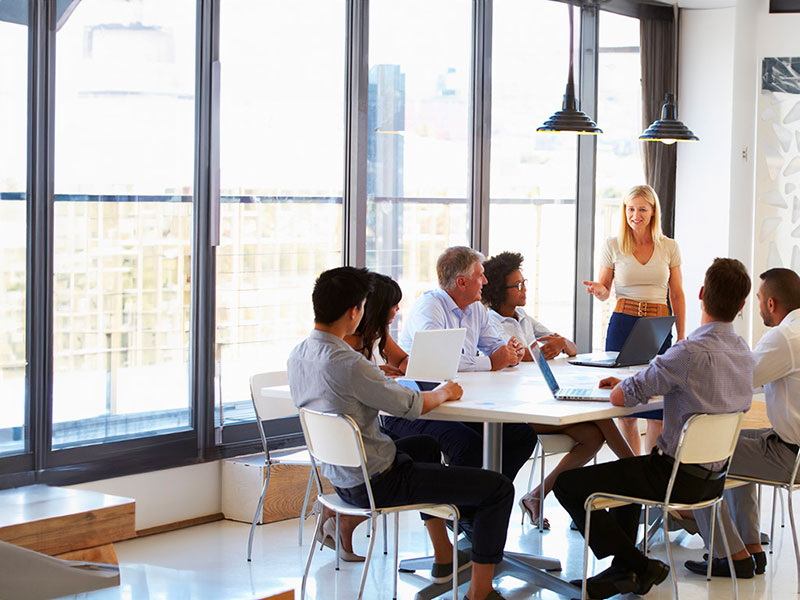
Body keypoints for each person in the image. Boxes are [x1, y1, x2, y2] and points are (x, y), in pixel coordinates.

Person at [288, 266, 514, 600]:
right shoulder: (348, 363)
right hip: (380, 482)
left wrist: (378, 379)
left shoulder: (299, 354)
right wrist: (445, 392)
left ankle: (444, 555)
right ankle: (480, 593)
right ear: (354, 312)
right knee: (498, 488)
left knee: (423, 444)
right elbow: (412, 404)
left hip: (343, 481)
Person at [553, 258, 754, 599]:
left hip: (671, 476)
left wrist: (627, 381)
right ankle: (624, 572)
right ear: (742, 305)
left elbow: (621, 396)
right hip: (713, 481)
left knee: (567, 484)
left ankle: (638, 564)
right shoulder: (744, 353)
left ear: (702, 294)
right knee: (627, 477)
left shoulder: (687, 352)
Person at [483, 251, 634, 529]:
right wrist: (546, 349)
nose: (524, 289)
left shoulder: (523, 317)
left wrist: (558, 343)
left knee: (592, 437)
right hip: (515, 409)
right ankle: (637, 473)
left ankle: (536, 495)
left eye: (524, 282)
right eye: (517, 286)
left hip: (540, 399)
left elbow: (571, 347)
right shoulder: (489, 322)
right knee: (598, 415)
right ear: (497, 291)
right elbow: (513, 355)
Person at [386, 246, 538, 484]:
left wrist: (510, 352)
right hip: (421, 405)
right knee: (469, 446)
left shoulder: (476, 307)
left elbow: (495, 346)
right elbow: (439, 361)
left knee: (522, 436)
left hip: (457, 401)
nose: (485, 281)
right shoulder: (430, 307)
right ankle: (465, 511)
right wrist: (491, 362)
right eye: (480, 276)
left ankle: (487, 500)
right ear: (462, 282)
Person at [686, 267, 800, 579]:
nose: (757, 305)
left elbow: (737, 380)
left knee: (694, 458)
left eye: (760, 299)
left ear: (772, 304)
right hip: (789, 444)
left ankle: (729, 555)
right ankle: (750, 548)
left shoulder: (786, 338)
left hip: (790, 456)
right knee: (729, 442)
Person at [583, 184, 686, 455]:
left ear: (653, 212)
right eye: (630, 209)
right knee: (625, 405)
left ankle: (648, 468)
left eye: (642, 209)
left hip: (658, 328)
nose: (635, 215)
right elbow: (606, 290)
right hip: (623, 324)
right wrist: (599, 290)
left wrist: (683, 336)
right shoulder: (613, 245)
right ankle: (632, 465)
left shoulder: (669, 247)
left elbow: (676, 293)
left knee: (657, 406)